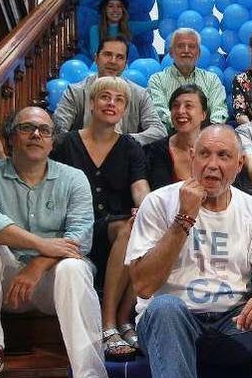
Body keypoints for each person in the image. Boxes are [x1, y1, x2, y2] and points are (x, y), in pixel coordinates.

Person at [125, 125, 252, 377]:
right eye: (204, 154)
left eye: (223, 156)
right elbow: (143, 285)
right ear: (192, 157)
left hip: (233, 323)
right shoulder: (158, 202)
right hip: (173, 324)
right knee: (165, 307)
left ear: (239, 163)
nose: (212, 164)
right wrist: (184, 219)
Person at [0, 106, 106, 378]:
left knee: (74, 267)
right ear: (11, 138)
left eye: (44, 130)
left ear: (52, 141)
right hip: (5, 281)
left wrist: (37, 265)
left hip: (53, 281)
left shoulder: (73, 179)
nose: (36, 134)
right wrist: (42, 243)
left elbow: (80, 238)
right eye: (26, 128)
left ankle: (89, 371)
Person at [50, 76, 151, 361]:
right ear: (92, 103)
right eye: (105, 97)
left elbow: (140, 187)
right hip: (75, 228)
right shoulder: (66, 143)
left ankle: (124, 320)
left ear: (125, 109)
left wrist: (147, 210)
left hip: (116, 228)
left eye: (119, 100)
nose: (112, 103)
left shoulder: (130, 146)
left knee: (142, 226)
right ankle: (108, 325)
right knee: (129, 230)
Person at [54, 35, 167, 146]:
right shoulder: (75, 92)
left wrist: (124, 141)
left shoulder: (140, 94)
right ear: (96, 58)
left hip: (125, 157)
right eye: (107, 55)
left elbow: (158, 130)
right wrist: (82, 146)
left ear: (125, 63)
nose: (113, 61)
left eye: (119, 57)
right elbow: (59, 127)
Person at [148, 28, 228, 131]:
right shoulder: (157, 80)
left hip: (206, 137)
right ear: (171, 52)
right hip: (170, 136)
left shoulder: (212, 79)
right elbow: (160, 113)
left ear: (198, 53)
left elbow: (220, 111)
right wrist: (187, 127)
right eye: (180, 46)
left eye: (191, 46)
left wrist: (207, 134)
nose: (186, 50)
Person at [143, 85, 209, 190]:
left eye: (188, 106)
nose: (180, 111)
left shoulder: (217, 151)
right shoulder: (153, 152)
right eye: (175, 106)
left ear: (203, 114)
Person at [88, 0, 159, 61]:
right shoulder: (95, 30)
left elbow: (158, 23)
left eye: (119, 6)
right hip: (105, 70)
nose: (115, 10)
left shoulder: (129, 26)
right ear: (104, 9)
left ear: (123, 10)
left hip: (128, 71)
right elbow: (95, 56)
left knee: (131, 49)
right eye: (110, 6)